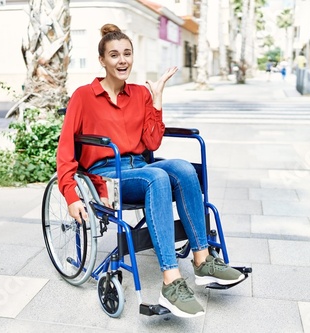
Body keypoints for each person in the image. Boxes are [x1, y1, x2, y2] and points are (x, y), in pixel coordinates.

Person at [56, 23, 244, 318]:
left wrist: (156, 100)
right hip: (107, 173)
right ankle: (171, 282)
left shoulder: (140, 95)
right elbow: (66, 148)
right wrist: (70, 195)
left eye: (127, 54)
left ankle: (202, 260)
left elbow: (152, 142)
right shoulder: (83, 96)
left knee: (182, 167)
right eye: (115, 55)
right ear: (102, 60)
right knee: (157, 176)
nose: (122, 60)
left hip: (139, 168)